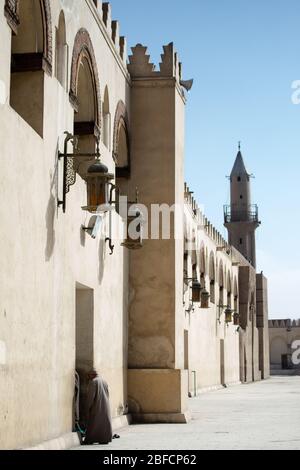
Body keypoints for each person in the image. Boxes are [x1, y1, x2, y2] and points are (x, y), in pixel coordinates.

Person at [84, 369, 113, 445]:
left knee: (94, 423)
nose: (88, 377)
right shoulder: (104, 381)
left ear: (92, 375)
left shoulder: (93, 382)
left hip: (97, 406)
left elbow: (90, 397)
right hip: (105, 405)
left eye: (89, 375)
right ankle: (104, 439)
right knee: (104, 423)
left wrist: (87, 407)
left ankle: (90, 439)